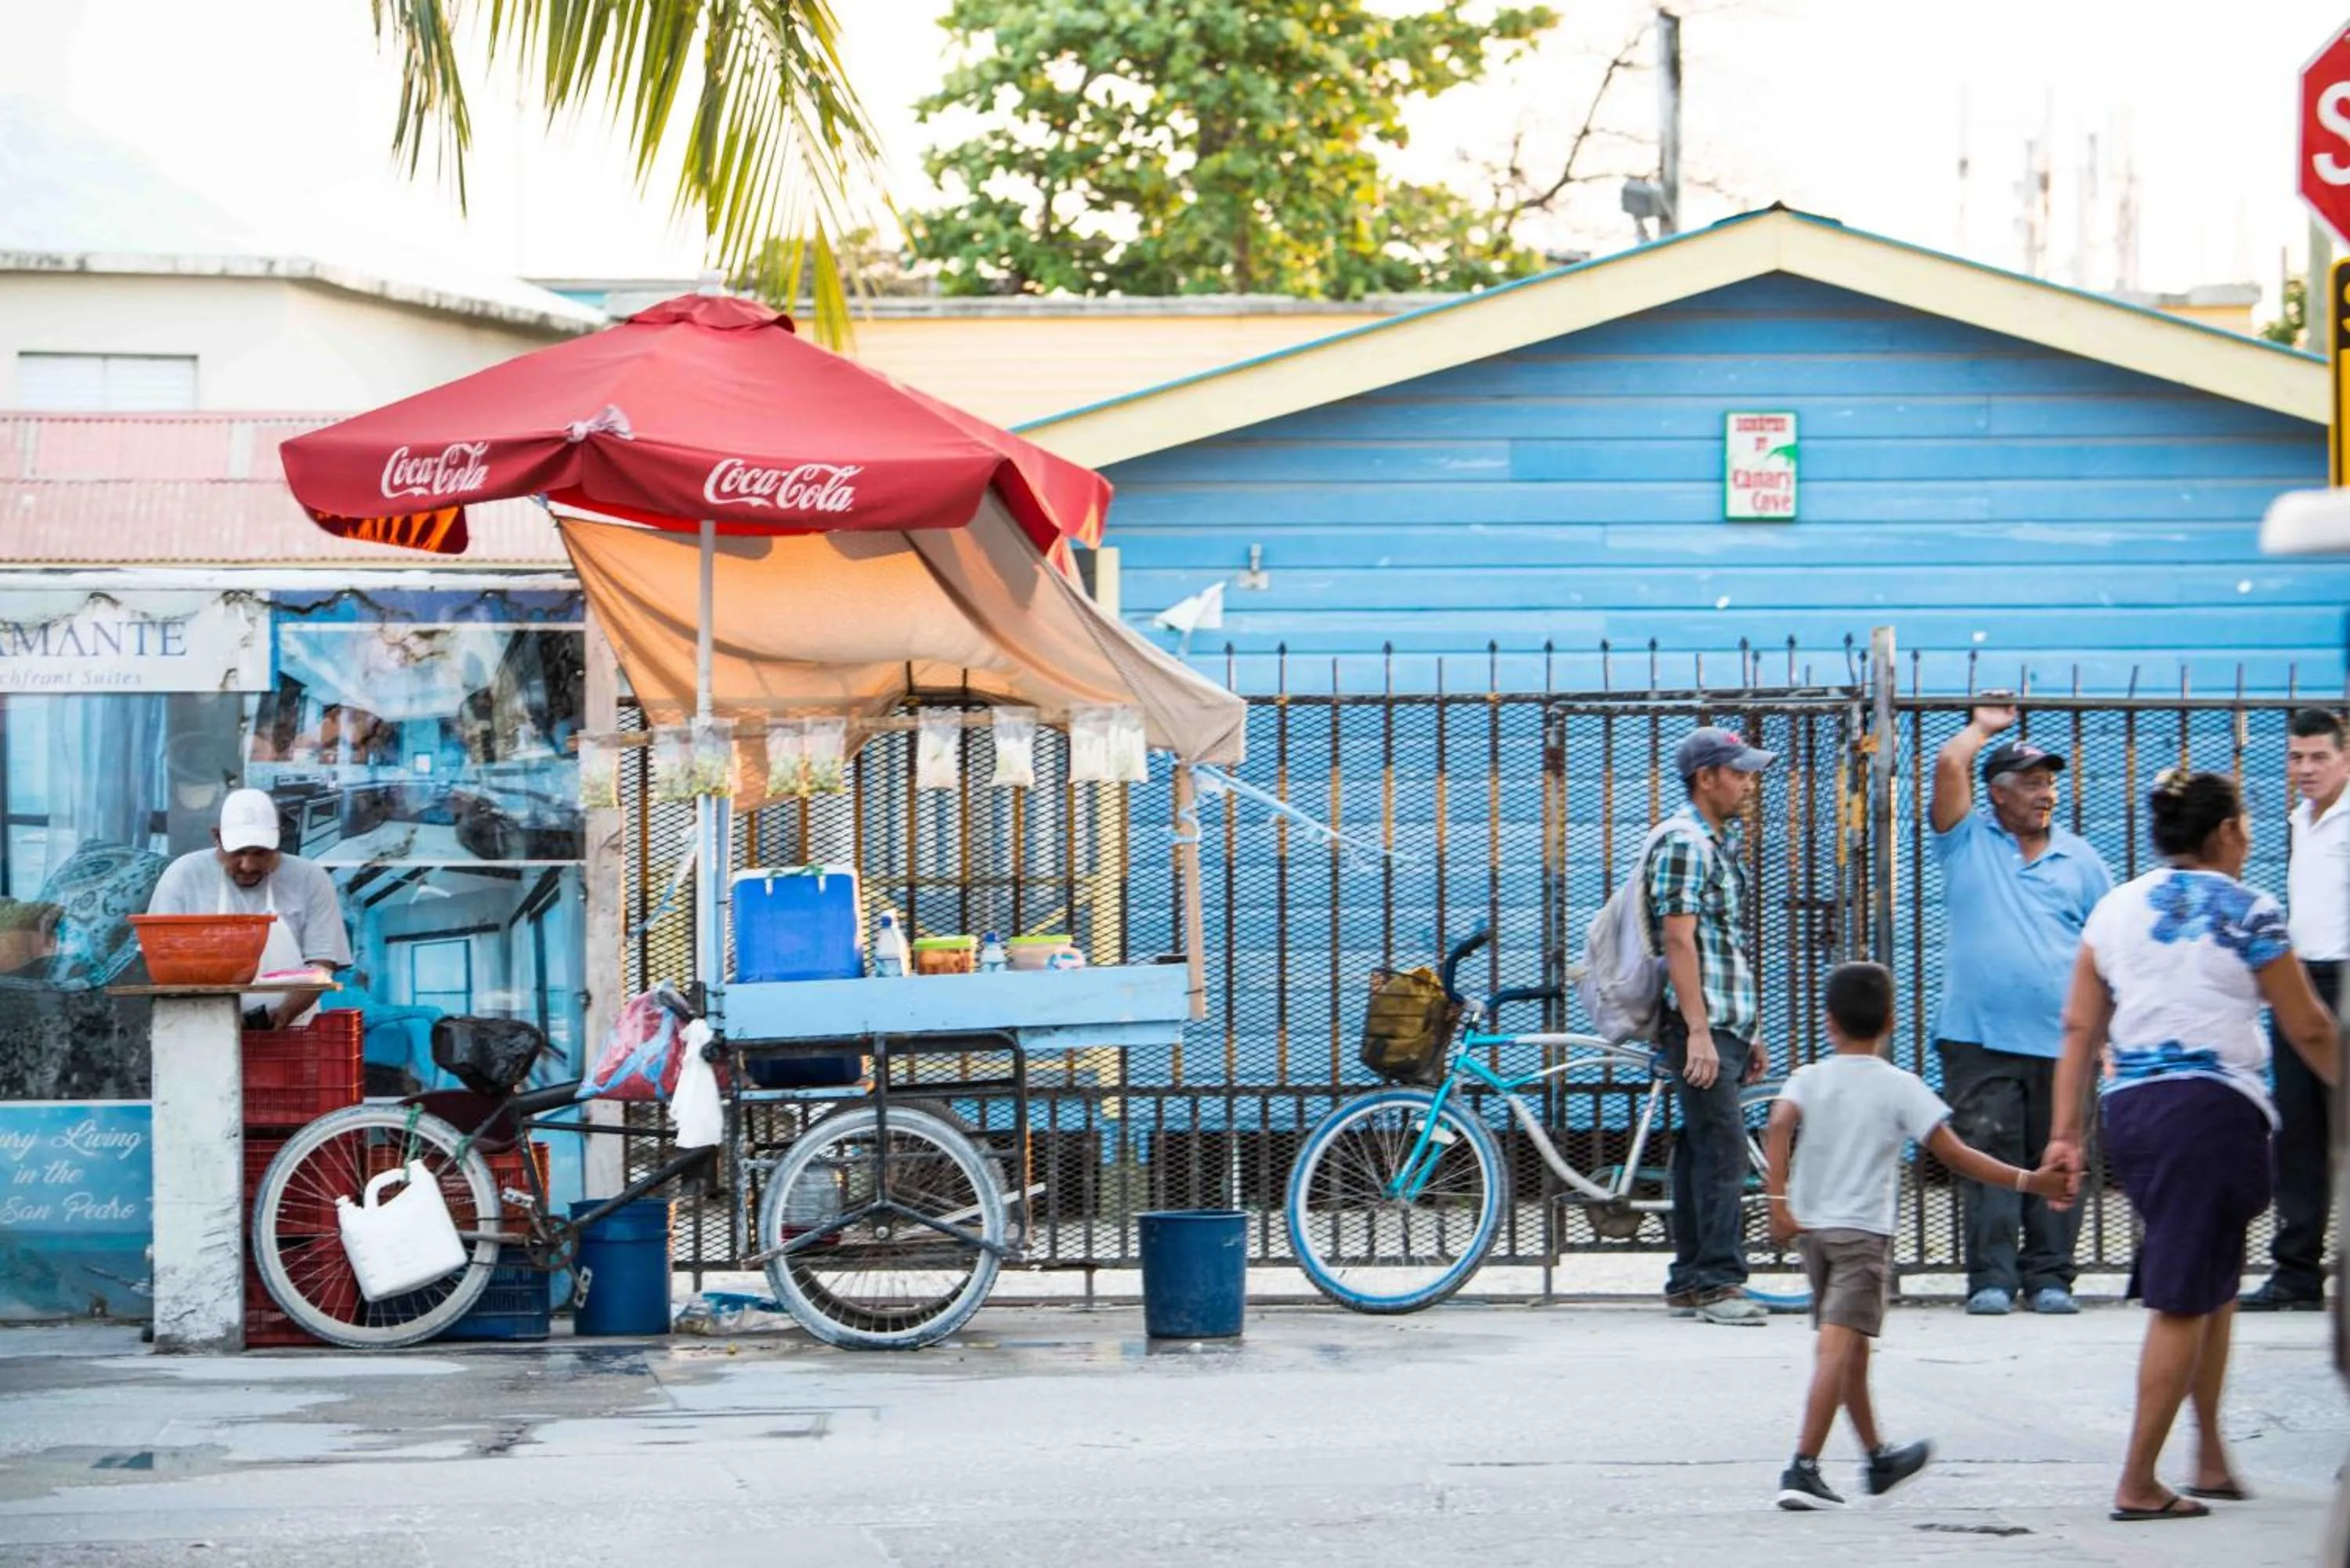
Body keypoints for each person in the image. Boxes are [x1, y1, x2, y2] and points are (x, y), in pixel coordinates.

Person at [2046, 771, 2338, 1523]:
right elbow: (2306, 1026)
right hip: (2211, 1115)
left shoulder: (2114, 909)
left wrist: (2065, 1135)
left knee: (2212, 1283)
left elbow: (2079, 1029)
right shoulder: (2252, 911)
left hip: (2136, 1116)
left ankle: (2208, 1455)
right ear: (2227, 833)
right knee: (2183, 1300)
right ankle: (2138, 1481)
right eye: (2243, 821)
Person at [1765, 961, 2075, 1511]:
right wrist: (2031, 1180)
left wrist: (1778, 1202)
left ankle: (1877, 1458)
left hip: (1813, 1232)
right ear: (1890, 1020)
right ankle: (1803, 1467)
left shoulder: (1808, 1077)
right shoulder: (1901, 1087)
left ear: (1829, 1021)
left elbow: (1778, 1123)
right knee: (1838, 1345)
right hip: (1862, 1235)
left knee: (1851, 1347)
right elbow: (1958, 1156)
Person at [1929, 699, 2113, 1317]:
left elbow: (2108, 950)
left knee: (2060, 1159)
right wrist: (1983, 728)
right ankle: (1991, 1279)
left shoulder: (2082, 860)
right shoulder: (1967, 842)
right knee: (1989, 1157)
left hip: (2066, 1041)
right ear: (1998, 794)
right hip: (1978, 1038)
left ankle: (2052, 1277)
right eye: (2033, 784)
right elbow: (1948, 766)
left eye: (2050, 784)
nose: (2046, 796)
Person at [1650, 725, 1776, 1327]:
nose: (1749, 784)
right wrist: (1698, 1030)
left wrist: (1745, 1028)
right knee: (1724, 1154)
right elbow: (1679, 939)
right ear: (1707, 777)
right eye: (1740, 772)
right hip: (1699, 1025)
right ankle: (1720, 1283)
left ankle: (1690, 1278)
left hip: (1723, 1021)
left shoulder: (1712, 842)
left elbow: (1722, 944)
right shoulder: (1685, 843)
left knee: (1704, 1150)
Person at [2243, 709, 2349, 1312]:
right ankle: (2297, 1274)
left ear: (2346, 759)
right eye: (2295, 757)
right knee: (2300, 1134)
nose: (2305, 769)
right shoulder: (2301, 821)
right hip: (2302, 978)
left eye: (2319, 758)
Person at [146, 787, 352, 1030]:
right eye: (238, 853)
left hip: (289, 1032)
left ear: (279, 839)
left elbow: (321, 965)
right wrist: (219, 1015)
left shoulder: (310, 879)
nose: (248, 865)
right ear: (217, 837)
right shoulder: (184, 876)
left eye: (260, 853)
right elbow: (162, 959)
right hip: (199, 1028)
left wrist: (285, 1013)